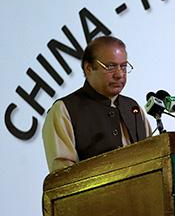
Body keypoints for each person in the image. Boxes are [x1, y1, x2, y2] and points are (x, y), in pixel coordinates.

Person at [42, 36, 151, 172]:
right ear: (88, 68)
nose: (119, 74)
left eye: (123, 66)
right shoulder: (65, 110)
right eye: (110, 67)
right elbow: (63, 177)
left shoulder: (133, 108)